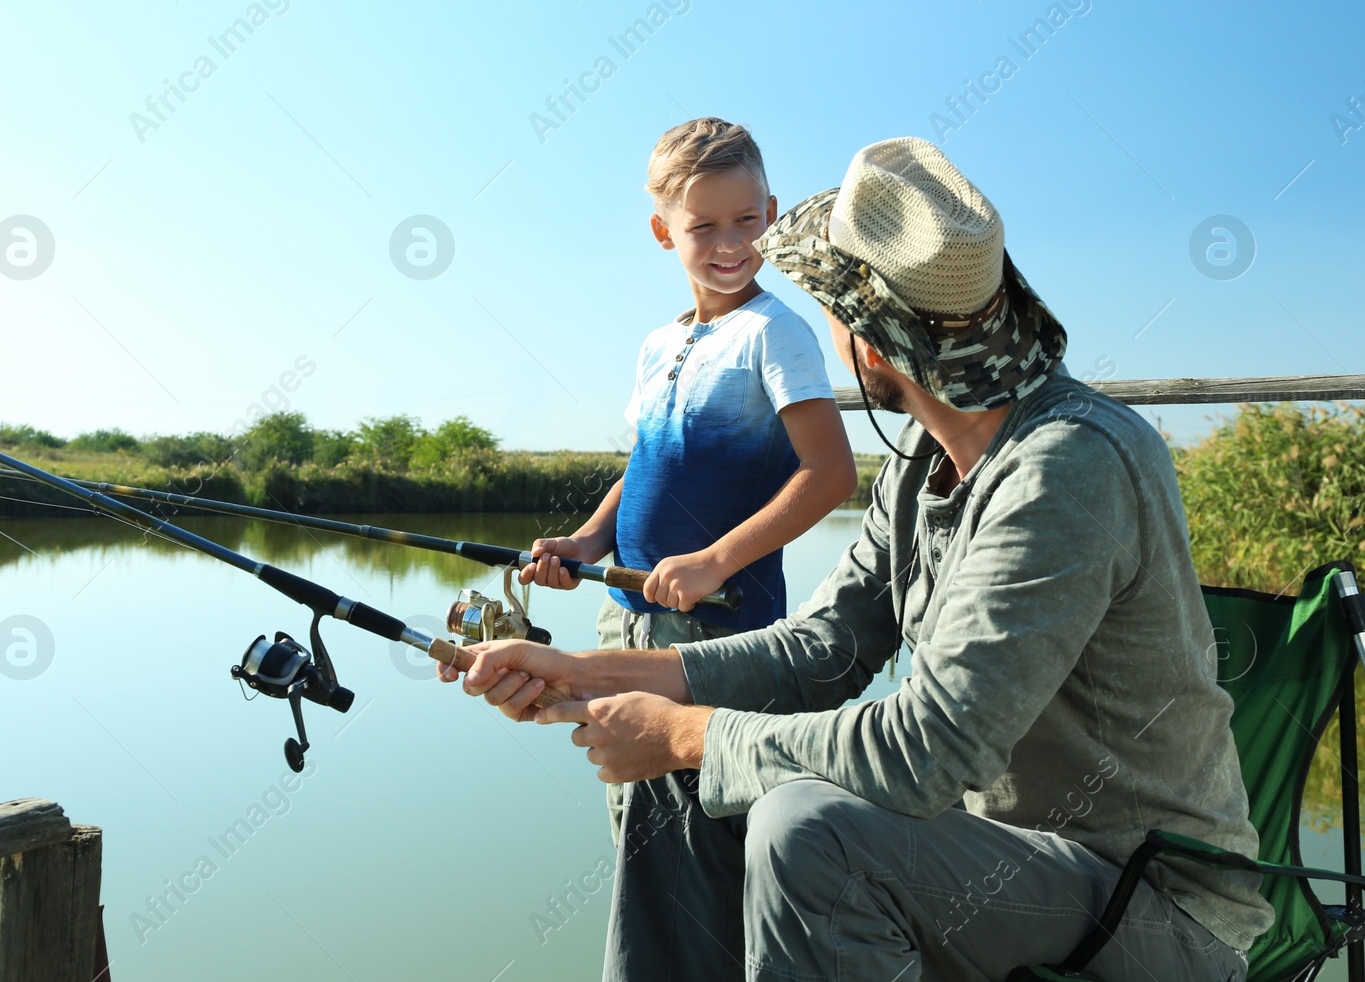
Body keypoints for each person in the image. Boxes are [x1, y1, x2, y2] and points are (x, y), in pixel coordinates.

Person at [446, 138, 1271, 981]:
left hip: (1148, 909)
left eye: (834, 308)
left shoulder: (1068, 466)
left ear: (870, 347)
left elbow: (928, 750)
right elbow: (822, 647)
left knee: (808, 830)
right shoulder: (920, 458)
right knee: (680, 778)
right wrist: (590, 672)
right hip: (995, 860)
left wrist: (687, 733)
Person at [520, 117, 858, 842]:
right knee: (636, 812)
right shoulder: (657, 343)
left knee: (706, 825)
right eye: (704, 226)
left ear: (771, 215)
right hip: (627, 615)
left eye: (746, 220)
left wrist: (714, 561)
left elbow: (831, 474)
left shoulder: (776, 333)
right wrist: (586, 542)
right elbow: (647, 461)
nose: (731, 244)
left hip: (719, 631)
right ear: (663, 232)